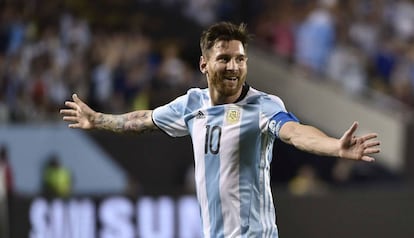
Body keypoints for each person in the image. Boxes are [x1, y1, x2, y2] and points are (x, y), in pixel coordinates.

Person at [60, 22, 381, 237]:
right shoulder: (191, 104)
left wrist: (334, 147)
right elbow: (143, 120)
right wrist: (98, 120)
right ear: (204, 65)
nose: (234, 66)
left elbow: (295, 133)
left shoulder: (264, 106)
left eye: (240, 59)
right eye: (224, 58)